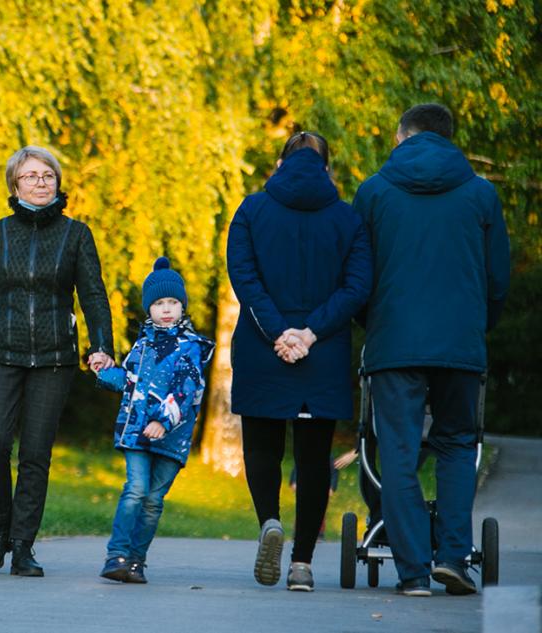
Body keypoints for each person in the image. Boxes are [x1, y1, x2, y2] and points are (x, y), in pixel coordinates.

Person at [353, 103, 510, 597]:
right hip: (460, 342)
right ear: (449, 138)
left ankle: (414, 573)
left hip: (394, 344)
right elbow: (497, 278)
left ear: (403, 137)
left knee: (397, 452)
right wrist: (477, 326)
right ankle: (454, 560)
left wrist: (371, 323)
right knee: (458, 445)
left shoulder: (374, 192)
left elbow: (358, 275)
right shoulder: (482, 195)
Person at [0, 146, 115, 576]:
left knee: (36, 454)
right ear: (15, 184)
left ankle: (23, 546)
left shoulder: (76, 235)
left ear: (58, 183)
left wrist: (102, 346)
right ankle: (0, 531)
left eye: (48, 175)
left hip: (54, 360)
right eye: (31, 176)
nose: (41, 182)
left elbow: (94, 296)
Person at [226, 132, 372, 591]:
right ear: (326, 167)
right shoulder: (348, 219)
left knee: (262, 446)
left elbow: (244, 278)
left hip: (261, 346)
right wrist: (309, 333)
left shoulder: (251, 210)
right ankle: (303, 564)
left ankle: (270, 520)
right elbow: (356, 286)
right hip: (322, 351)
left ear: (278, 162)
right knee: (313, 458)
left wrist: (277, 332)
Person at [95, 257, 214, 584]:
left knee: (152, 501)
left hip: (171, 438)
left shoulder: (191, 348)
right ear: (149, 308)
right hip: (136, 433)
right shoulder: (142, 345)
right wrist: (106, 373)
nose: (166, 309)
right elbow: (129, 381)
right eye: (159, 303)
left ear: (182, 306)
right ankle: (116, 555)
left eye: (173, 302)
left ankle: (135, 561)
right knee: (135, 489)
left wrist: (163, 420)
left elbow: (187, 389)